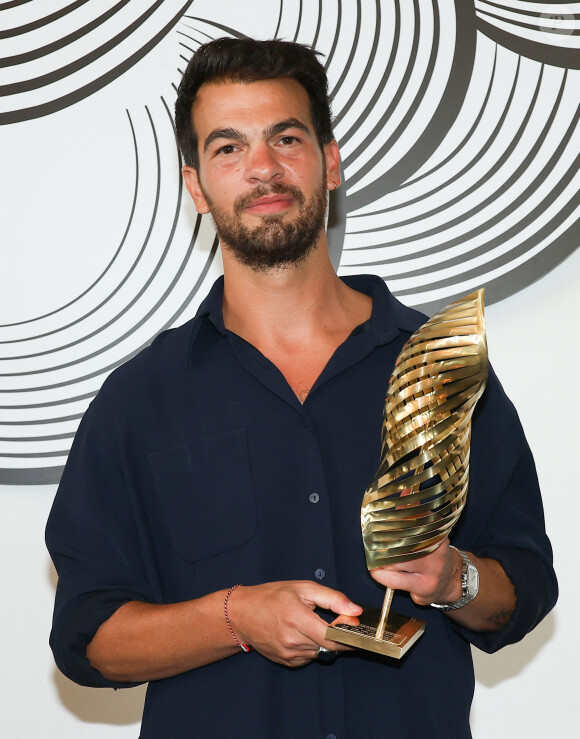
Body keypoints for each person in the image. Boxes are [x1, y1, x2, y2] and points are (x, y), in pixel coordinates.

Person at [46, 38, 557, 738]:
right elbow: (87, 637)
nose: (263, 168)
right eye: (228, 148)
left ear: (331, 162)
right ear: (196, 185)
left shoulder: (440, 369)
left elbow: (522, 592)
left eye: (286, 138)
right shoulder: (140, 401)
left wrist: (454, 580)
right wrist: (235, 618)